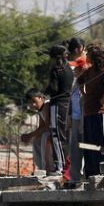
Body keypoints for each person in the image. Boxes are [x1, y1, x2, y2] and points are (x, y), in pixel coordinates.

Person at [76, 43, 104, 177]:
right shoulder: (90, 71)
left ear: (95, 56)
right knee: (89, 144)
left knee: (102, 144)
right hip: (89, 113)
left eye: (88, 53)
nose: (86, 55)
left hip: (101, 114)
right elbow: (80, 81)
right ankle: (91, 173)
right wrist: (83, 94)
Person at [43, 45, 73, 177]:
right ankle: (64, 166)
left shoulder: (56, 70)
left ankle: (59, 167)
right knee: (63, 135)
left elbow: (54, 89)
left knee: (56, 136)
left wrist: (46, 90)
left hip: (57, 104)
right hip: (67, 104)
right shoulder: (69, 69)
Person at [66, 38, 88, 182]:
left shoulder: (86, 80)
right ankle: (74, 178)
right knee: (74, 149)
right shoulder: (76, 81)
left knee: (86, 146)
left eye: (78, 68)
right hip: (75, 117)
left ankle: (87, 176)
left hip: (84, 117)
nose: (75, 70)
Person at [21, 89, 54, 174]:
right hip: (48, 131)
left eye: (34, 101)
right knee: (36, 140)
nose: (33, 105)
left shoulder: (47, 105)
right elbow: (41, 126)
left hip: (54, 132)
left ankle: (48, 167)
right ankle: (41, 167)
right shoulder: (40, 109)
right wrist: (31, 136)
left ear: (40, 98)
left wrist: (29, 135)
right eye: (30, 103)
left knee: (44, 136)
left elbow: (47, 126)